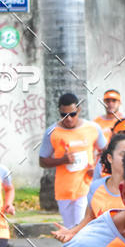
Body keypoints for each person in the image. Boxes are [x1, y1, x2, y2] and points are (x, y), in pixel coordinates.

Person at [52, 133, 125, 243]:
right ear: (110, 158)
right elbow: (90, 218)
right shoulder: (96, 187)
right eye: (124, 154)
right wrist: (72, 232)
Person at [39, 93, 106, 227]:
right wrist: (61, 160)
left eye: (72, 114)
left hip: (86, 187)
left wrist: (97, 167)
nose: (68, 119)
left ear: (79, 110)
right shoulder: (52, 132)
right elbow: (42, 161)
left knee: (80, 227)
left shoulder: (92, 128)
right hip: (64, 190)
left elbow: (106, 152)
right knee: (71, 230)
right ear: (59, 111)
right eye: (64, 115)